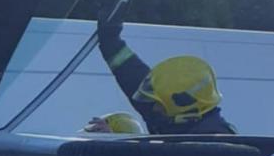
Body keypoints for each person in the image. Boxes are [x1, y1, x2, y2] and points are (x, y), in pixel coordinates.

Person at [98, 10, 236, 135]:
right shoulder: (169, 114)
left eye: (160, 104)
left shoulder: (215, 145)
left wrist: (115, 143)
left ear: (185, 107)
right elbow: (130, 73)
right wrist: (110, 40)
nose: (153, 107)